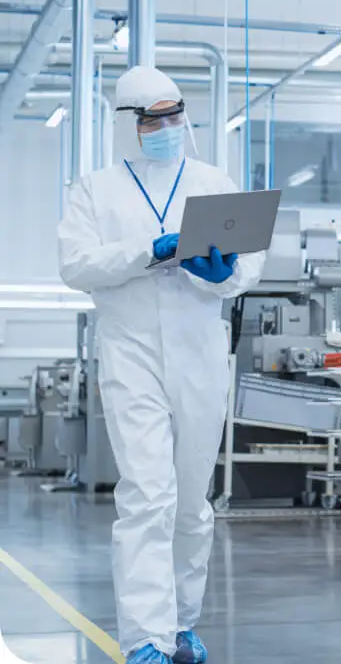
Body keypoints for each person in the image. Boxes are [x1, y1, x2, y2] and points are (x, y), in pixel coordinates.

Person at [58, 66, 265, 664]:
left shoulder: (211, 179)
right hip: (132, 353)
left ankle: (181, 626)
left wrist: (227, 275)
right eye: (153, 119)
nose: (167, 128)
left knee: (192, 500)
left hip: (201, 350)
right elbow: (76, 266)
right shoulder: (94, 190)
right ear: (130, 124)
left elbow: (249, 260)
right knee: (148, 495)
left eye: (174, 116)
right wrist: (147, 252)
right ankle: (145, 638)